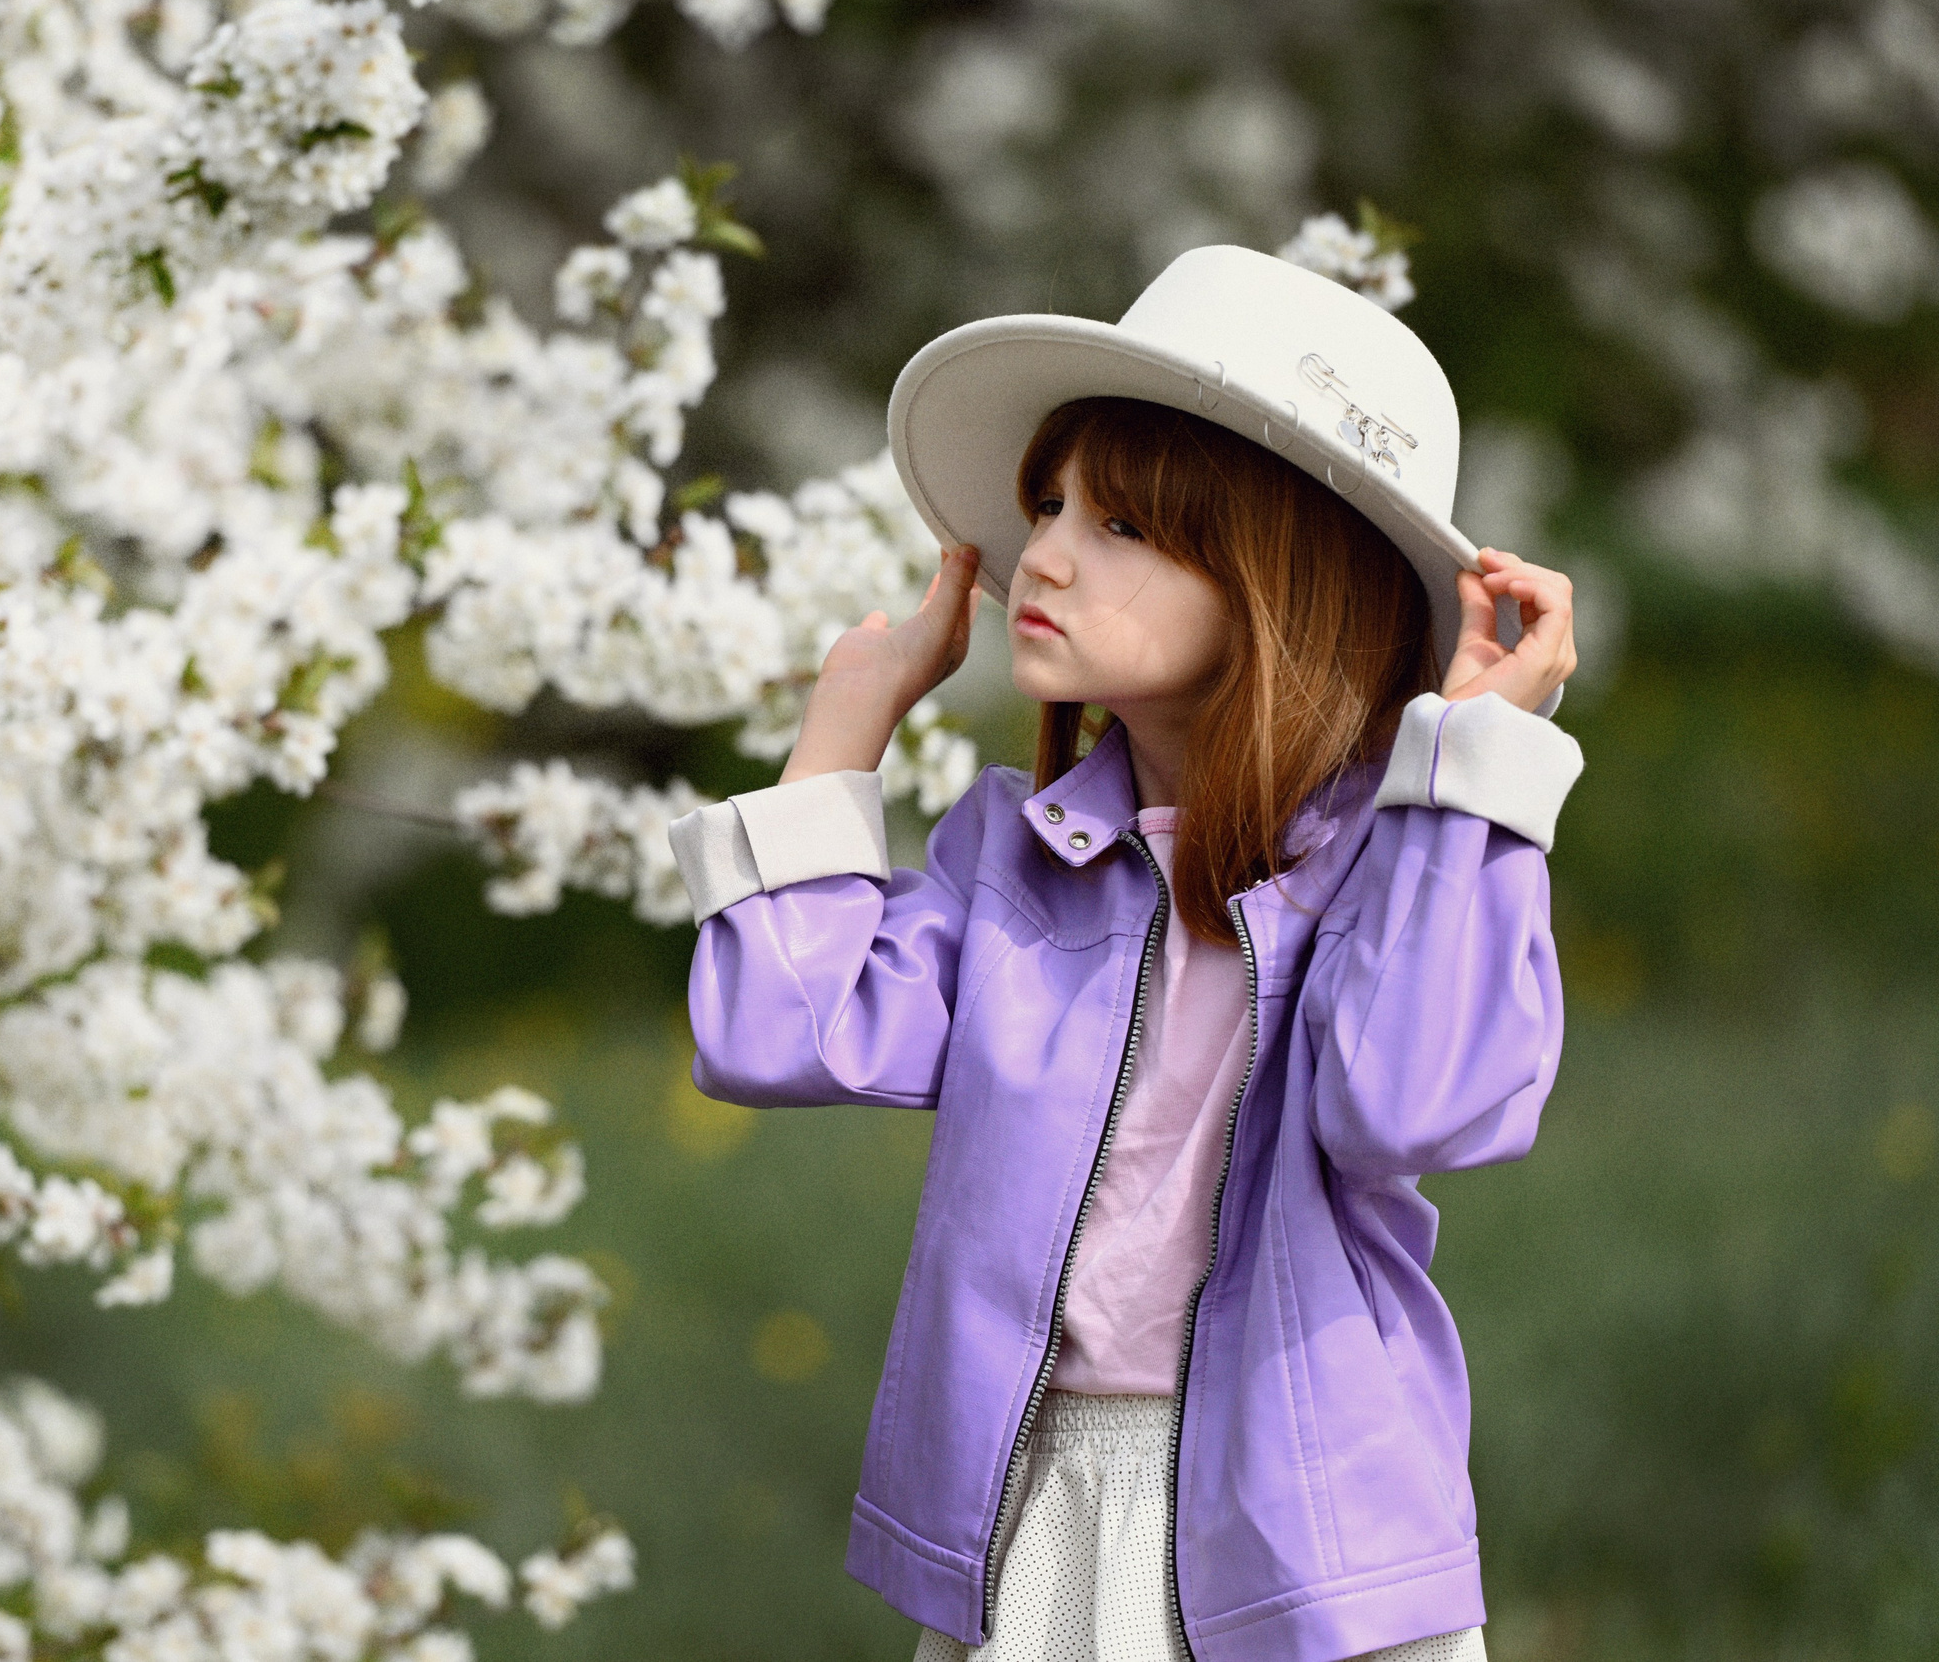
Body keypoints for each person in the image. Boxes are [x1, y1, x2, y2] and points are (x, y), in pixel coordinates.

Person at [666, 245, 1584, 1662]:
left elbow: (1416, 1103)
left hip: (1302, 1538)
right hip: (1031, 1510)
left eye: (1127, 528)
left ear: (1283, 574)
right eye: (1049, 505)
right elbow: (776, 1032)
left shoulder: (1396, 864)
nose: (1044, 554)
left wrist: (1475, 771)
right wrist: (844, 725)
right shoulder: (1011, 860)